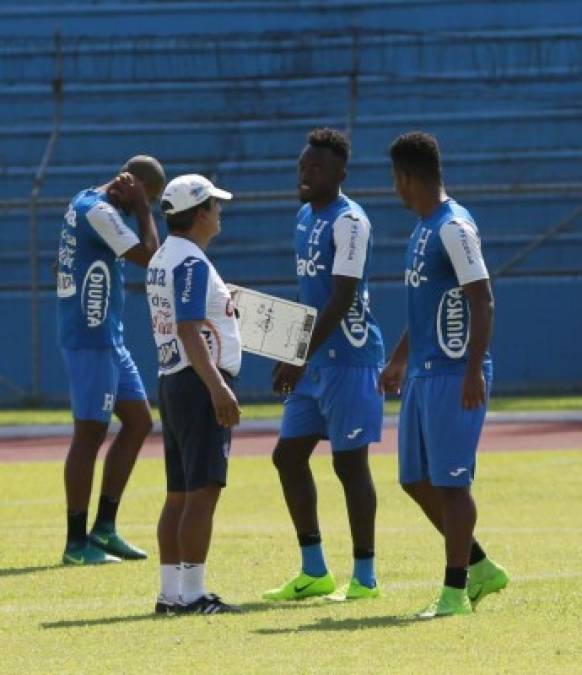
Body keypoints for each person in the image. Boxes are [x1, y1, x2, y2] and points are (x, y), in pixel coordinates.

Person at [380, 131, 509, 618]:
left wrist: (474, 368)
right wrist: (398, 358)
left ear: (409, 177)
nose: (396, 189)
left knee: (453, 484)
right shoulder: (423, 229)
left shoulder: (454, 227)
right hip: (423, 374)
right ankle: (479, 566)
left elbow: (482, 299)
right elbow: (427, 306)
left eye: (396, 179)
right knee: (414, 480)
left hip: (454, 374)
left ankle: (455, 592)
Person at [263, 128, 385, 602]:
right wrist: (288, 348)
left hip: (350, 359)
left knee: (350, 465)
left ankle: (365, 576)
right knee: (287, 457)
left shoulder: (350, 221)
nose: (305, 174)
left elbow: (342, 297)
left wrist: (298, 353)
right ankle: (314, 571)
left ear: (340, 173)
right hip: (314, 363)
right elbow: (307, 297)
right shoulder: (303, 216)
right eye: (302, 166)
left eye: (316, 168)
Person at [57, 155, 166, 565]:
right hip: (90, 335)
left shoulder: (84, 201)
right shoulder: (100, 211)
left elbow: (65, 258)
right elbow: (152, 259)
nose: (145, 205)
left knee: (139, 421)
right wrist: (143, 209)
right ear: (133, 184)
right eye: (148, 196)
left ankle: (104, 529)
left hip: (108, 335)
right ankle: (74, 543)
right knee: (89, 433)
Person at [146, 174, 242, 615]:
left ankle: (171, 593)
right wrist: (218, 386)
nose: (220, 213)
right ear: (200, 212)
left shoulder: (165, 257)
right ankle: (193, 593)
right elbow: (188, 328)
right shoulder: (190, 262)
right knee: (203, 491)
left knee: (180, 493)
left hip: (174, 380)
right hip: (197, 381)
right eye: (215, 206)